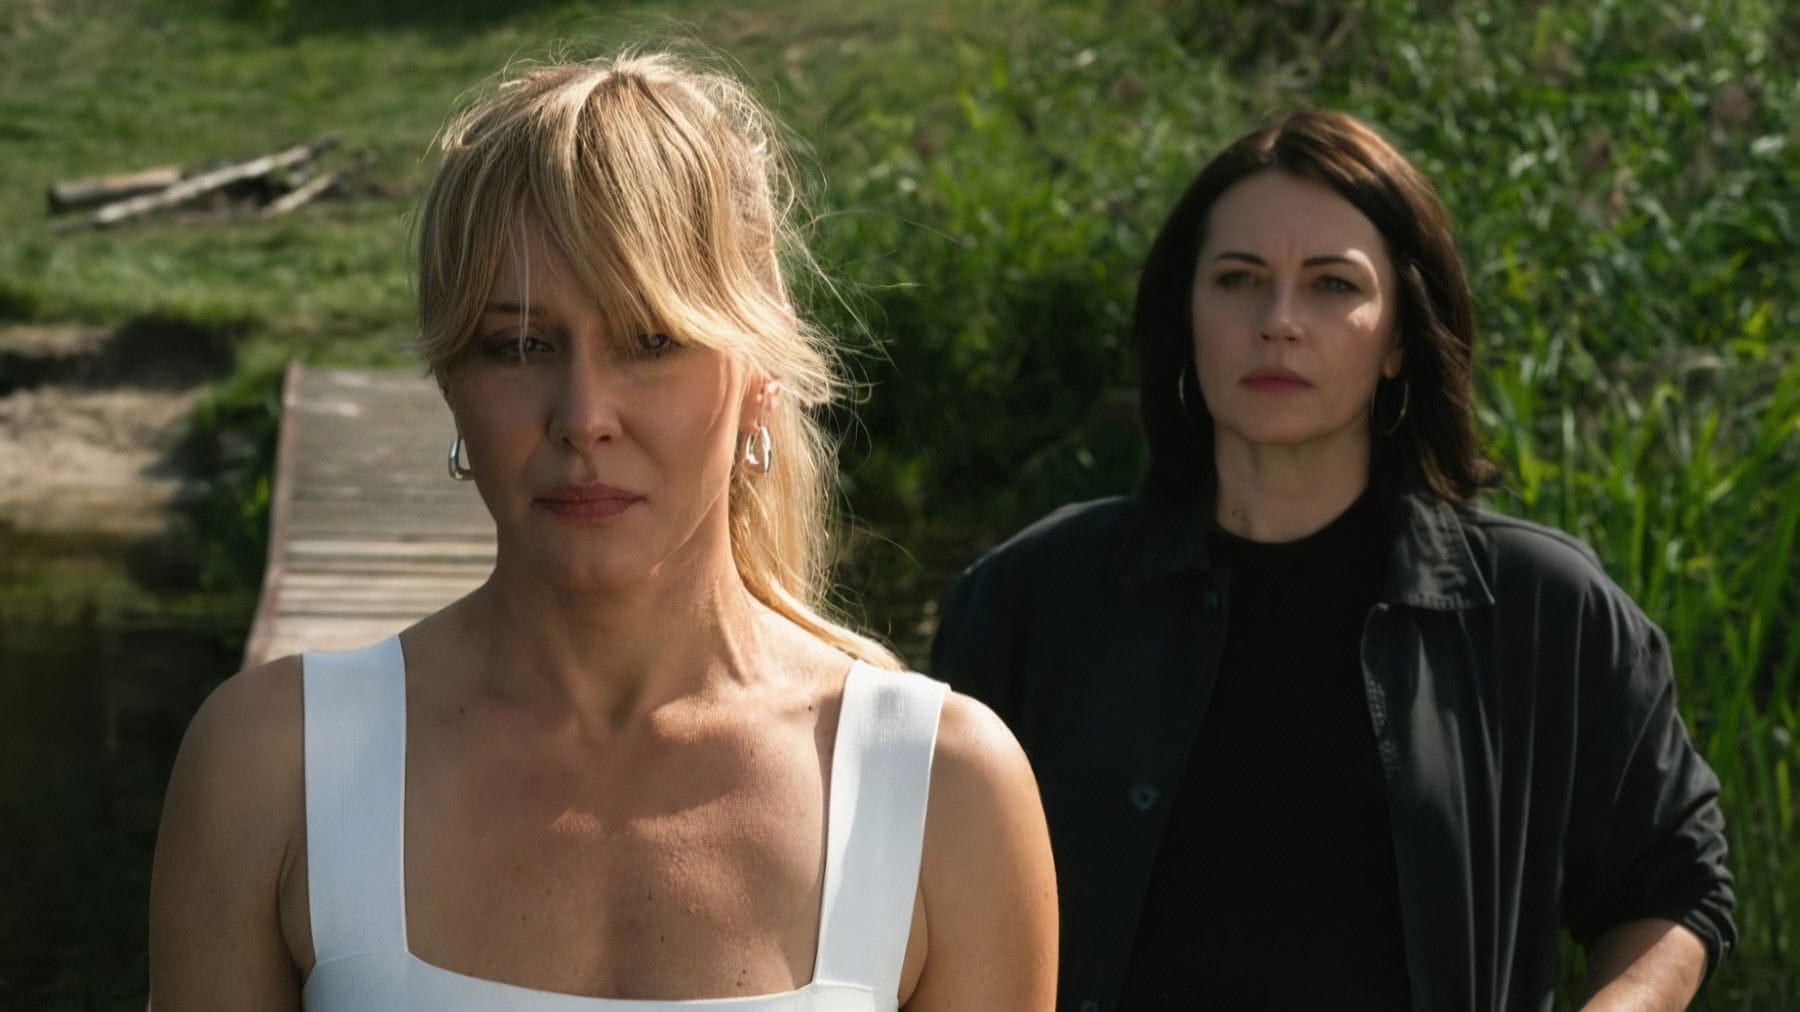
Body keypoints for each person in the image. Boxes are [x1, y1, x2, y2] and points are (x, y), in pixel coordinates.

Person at [150, 51, 1056, 1010]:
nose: (583, 416)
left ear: (762, 374)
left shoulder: (944, 792)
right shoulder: (272, 768)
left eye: (651, 339)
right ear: (451, 381)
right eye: (520, 345)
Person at [932, 110, 1734, 1010]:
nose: (1279, 322)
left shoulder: (1541, 609)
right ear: (1185, 316)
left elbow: (1678, 886)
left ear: (1400, 338)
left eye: (1331, 285)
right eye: (1238, 279)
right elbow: (916, 904)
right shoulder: (1034, 598)